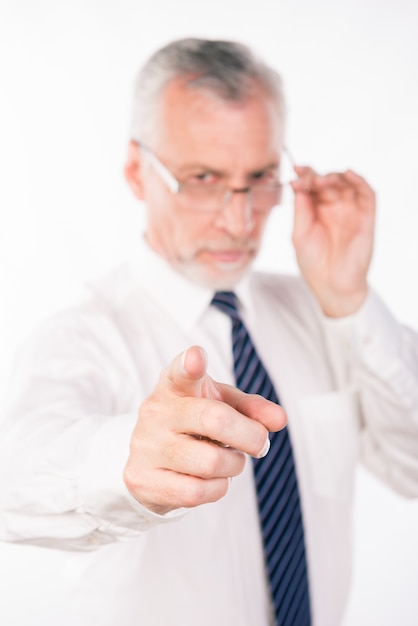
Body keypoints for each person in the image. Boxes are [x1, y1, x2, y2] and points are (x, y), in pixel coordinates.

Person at [0, 37, 417, 626]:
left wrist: (350, 301)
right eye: (201, 178)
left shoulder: (319, 310)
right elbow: (13, 481)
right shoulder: (84, 335)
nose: (239, 218)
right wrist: (129, 460)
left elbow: (413, 466)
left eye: (260, 177)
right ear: (136, 172)